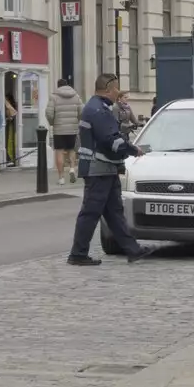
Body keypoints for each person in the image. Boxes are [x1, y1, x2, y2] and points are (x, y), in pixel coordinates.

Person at [68, 73, 151, 266]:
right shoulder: (100, 111)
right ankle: (78, 254)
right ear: (108, 89)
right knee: (91, 212)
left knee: (114, 212)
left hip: (105, 169)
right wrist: (133, 150)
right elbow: (110, 140)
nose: (118, 93)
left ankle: (132, 249)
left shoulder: (97, 107)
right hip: (99, 169)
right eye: (116, 89)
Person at [43, 78, 83, 185]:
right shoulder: (76, 96)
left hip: (59, 129)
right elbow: (82, 111)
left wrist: (52, 123)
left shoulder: (54, 97)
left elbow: (49, 113)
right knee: (72, 150)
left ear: (58, 86)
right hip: (73, 129)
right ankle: (72, 169)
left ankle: (61, 178)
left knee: (59, 152)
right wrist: (77, 120)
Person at [3, 89, 19, 167]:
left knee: (8, 141)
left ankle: (9, 158)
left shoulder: (8, 105)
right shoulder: (12, 105)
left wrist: (8, 118)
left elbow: (11, 114)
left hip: (8, 125)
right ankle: (10, 158)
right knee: (10, 141)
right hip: (10, 125)